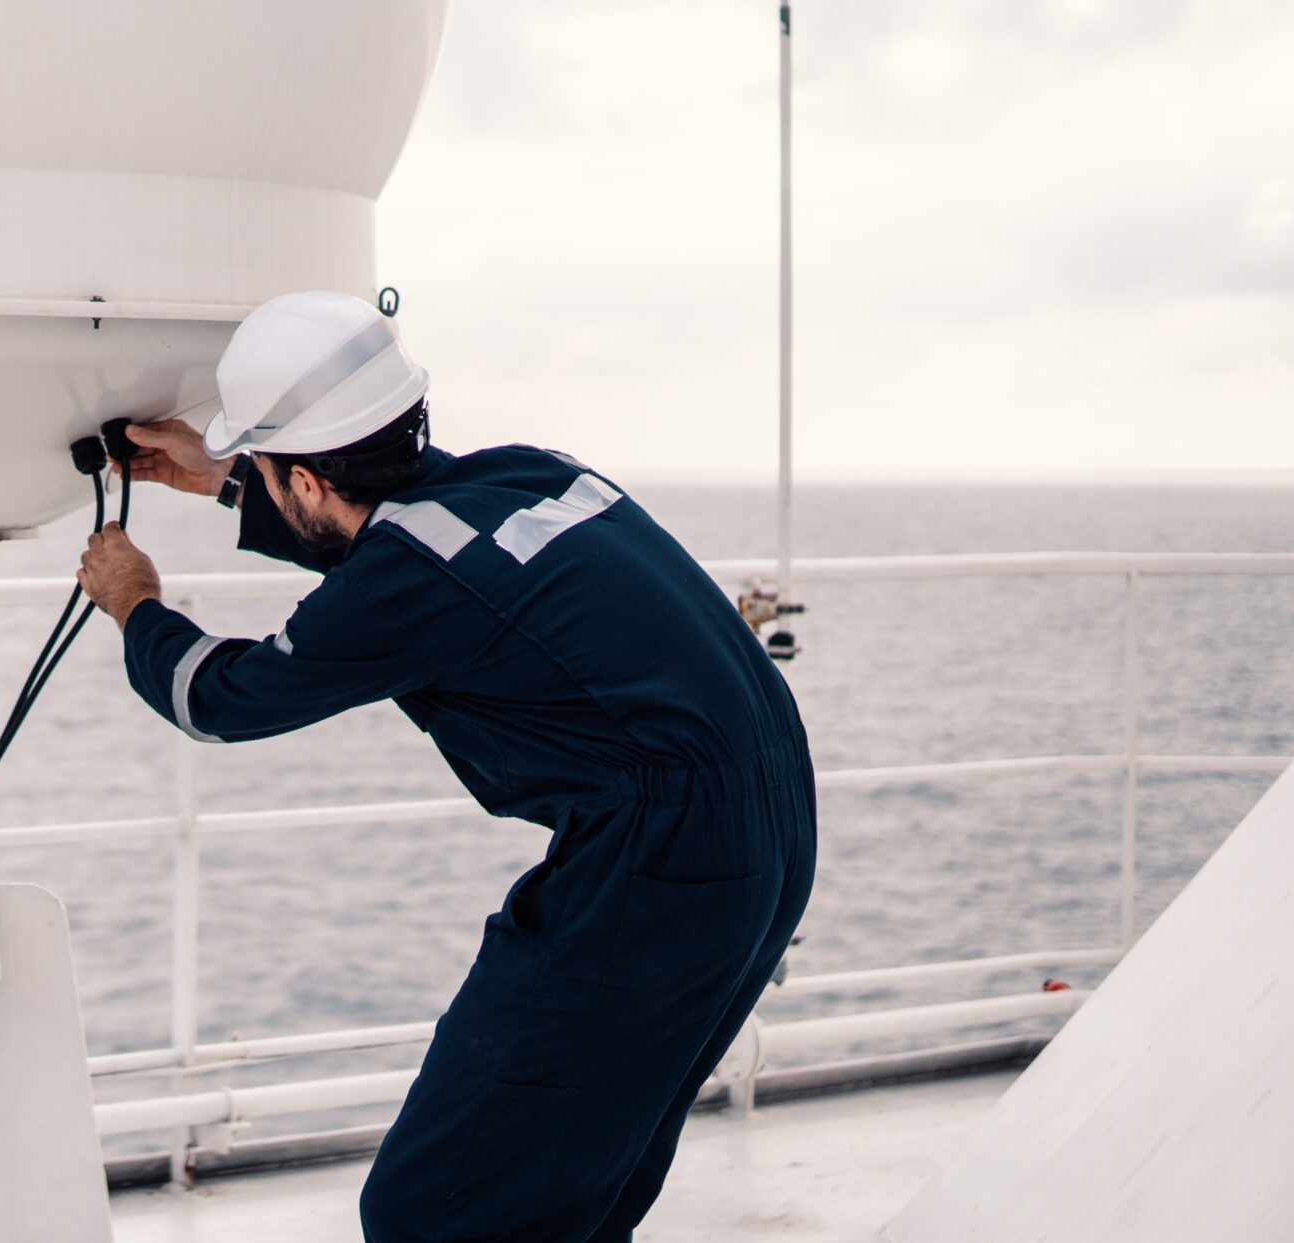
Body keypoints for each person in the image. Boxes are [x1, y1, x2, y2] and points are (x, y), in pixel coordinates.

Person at [76, 290, 816, 1243]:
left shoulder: (411, 574)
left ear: (301, 482)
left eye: (266, 468)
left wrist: (136, 602)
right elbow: (413, 562)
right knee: (571, 1189)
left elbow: (218, 699)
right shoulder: (522, 473)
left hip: (663, 860)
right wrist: (222, 477)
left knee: (437, 1203)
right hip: (770, 812)